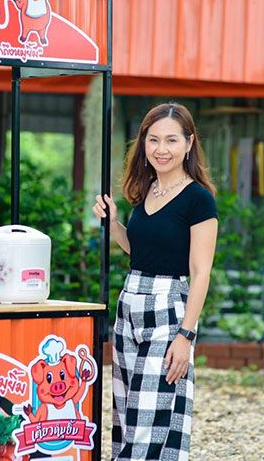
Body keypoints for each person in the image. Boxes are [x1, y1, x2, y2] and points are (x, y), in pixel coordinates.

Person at [92, 102, 218, 460]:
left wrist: (186, 336)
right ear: (143, 144)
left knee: (153, 417)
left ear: (189, 143)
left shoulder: (199, 200)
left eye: (172, 140)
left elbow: (201, 272)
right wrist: (115, 222)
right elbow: (140, 251)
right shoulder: (146, 191)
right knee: (129, 414)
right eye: (154, 140)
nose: (162, 149)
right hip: (130, 306)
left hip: (168, 311)